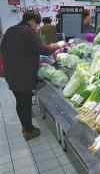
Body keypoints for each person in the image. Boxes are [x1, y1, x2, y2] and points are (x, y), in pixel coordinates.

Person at [0, 11, 60, 140]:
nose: (37, 27)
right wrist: (56, 45)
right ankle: (29, 130)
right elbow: (43, 49)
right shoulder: (28, 31)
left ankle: (25, 126)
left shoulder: (10, 30)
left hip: (11, 74)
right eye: (37, 24)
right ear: (32, 21)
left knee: (20, 101)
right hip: (23, 76)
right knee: (25, 102)